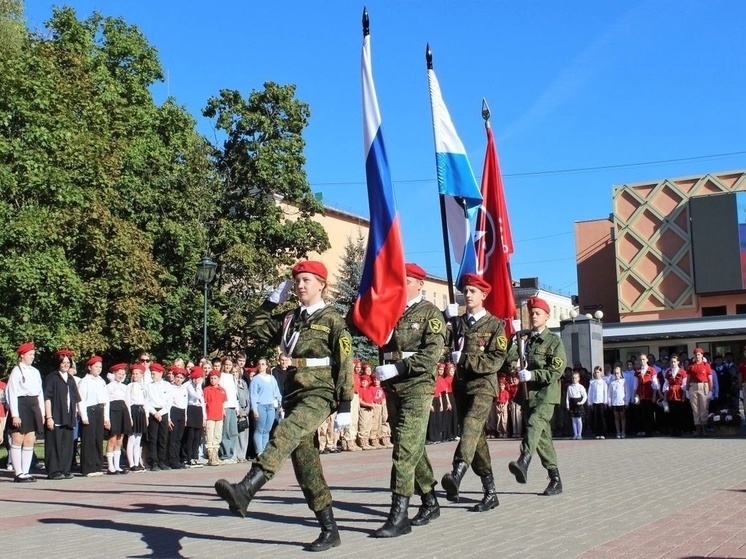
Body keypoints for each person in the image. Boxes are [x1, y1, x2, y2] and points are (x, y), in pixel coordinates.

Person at [214, 260, 354, 552]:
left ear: (321, 285)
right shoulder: (290, 318)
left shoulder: (332, 319)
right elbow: (255, 328)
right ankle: (330, 529)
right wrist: (270, 301)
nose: (301, 285)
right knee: (306, 464)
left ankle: (247, 488)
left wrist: (345, 403)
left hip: (320, 392)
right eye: (297, 281)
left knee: (285, 433)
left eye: (307, 280)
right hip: (293, 394)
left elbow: (345, 364)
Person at [373, 262, 446, 537]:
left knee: (404, 450)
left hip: (417, 384)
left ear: (419, 284)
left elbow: (431, 355)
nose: (401, 285)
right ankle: (430, 501)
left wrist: (400, 367)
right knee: (411, 445)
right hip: (394, 386)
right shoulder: (391, 310)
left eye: (407, 280)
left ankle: (399, 513)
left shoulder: (430, 314)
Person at [441, 273, 507, 513]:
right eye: (465, 291)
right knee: (476, 439)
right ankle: (490, 491)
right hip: (461, 386)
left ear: (483, 295)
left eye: (472, 291)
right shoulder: (457, 323)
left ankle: (457, 473)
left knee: (470, 425)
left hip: (483, 386)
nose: (467, 295)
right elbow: (439, 344)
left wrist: (466, 359)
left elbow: (496, 359)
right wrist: (443, 318)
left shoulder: (494, 325)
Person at [506, 296, 567, 496]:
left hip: (547, 394)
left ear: (547, 316)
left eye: (537, 313)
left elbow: (555, 371)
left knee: (534, 423)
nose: (533, 316)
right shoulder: (526, 340)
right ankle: (555, 478)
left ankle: (524, 460)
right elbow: (510, 360)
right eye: (531, 313)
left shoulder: (553, 342)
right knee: (541, 437)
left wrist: (533, 374)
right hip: (528, 395)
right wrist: (514, 342)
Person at [7, 342, 45, 482]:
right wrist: (15, 414)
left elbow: (40, 392)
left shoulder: (35, 371)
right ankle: (18, 473)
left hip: (33, 405)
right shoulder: (16, 371)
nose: (32, 357)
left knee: (30, 439)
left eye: (33, 354)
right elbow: (12, 393)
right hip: (21, 405)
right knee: (18, 438)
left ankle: (26, 471)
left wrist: (41, 412)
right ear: (22, 355)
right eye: (30, 354)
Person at [44, 349, 81, 480]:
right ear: (58, 363)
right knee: (54, 444)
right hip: (56, 415)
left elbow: (75, 399)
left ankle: (65, 469)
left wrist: (75, 415)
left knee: (67, 444)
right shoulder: (52, 378)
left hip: (69, 416)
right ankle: (54, 471)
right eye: (63, 362)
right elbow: (47, 398)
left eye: (68, 362)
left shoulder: (70, 379)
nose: (66, 365)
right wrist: (49, 417)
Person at [77, 356, 110, 477]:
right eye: (96, 366)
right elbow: (81, 400)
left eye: (100, 367)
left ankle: (97, 465)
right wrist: (84, 416)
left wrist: (107, 418)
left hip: (100, 410)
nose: (99, 369)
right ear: (89, 367)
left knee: (98, 439)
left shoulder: (101, 381)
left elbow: (106, 400)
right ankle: (88, 467)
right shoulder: (85, 381)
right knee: (89, 440)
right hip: (90, 411)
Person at [249, 357, 282, 456]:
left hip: (270, 407)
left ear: (267, 366)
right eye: (259, 364)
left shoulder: (272, 378)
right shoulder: (256, 379)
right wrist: (254, 409)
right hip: (260, 406)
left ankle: (264, 450)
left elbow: (277, 392)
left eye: (263, 364)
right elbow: (253, 396)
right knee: (259, 429)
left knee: (267, 429)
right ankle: (259, 451)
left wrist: (280, 404)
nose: (261, 366)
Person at [144, 362, 172, 470]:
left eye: (154, 373)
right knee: (153, 438)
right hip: (153, 412)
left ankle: (161, 461)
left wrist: (161, 413)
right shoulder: (148, 386)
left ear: (161, 373)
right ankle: (153, 461)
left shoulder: (167, 386)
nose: (152, 375)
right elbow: (147, 401)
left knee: (163, 438)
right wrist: (154, 412)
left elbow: (169, 402)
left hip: (163, 412)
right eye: (151, 373)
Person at [105, 363, 132, 474]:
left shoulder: (124, 387)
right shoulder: (108, 386)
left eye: (123, 374)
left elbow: (127, 402)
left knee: (120, 439)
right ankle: (110, 466)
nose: (121, 376)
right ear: (114, 373)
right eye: (119, 373)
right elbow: (106, 402)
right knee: (112, 439)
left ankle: (117, 465)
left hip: (123, 411)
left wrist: (129, 416)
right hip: (113, 411)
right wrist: (106, 418)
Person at [686, 347, 713, 436]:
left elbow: (710, 379)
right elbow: (688, 379)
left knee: (704, 409)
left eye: (699, 354)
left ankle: (704, 430)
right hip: (693, 386)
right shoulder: (691, 365)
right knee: (695, 409)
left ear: (702, 355)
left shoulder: (706, 365)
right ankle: (698, 430)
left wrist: (711, 390)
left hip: (703, 386)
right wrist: (686, 390)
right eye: (696, 355)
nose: (697, 356)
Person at [127, 363, 148, 472]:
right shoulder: (130, 386)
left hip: (141, 411)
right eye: (133, 374)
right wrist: (129, 417)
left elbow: (146, 402)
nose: (135, 376)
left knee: (138, 439)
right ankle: (131, 464)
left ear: (142, 375)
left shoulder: (143, 387)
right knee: (131, 438)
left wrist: (147, 416)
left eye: (137, 374)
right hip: (133, 410)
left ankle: (137, 462)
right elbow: (128, 402)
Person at [185, 366, 206, 467]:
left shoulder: (199, 387)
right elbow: (196, 396)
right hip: (191, 409)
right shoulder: (189, 386)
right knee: (191, 435)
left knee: (198, 435)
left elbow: (202, 402)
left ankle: (195, 456)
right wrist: (198, 386)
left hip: (198, 410)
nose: (199, 380)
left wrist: (204, 417)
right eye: (197, 377)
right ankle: (189, 458)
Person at [219, 356, 239, 463]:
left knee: (233, 431)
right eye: (226, 364)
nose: (228, 366)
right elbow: (221, 393)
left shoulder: (233, 377)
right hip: (225, 406)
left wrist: (237, 407)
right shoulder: (221, 376)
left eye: (230, 365)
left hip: (233, 406)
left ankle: (231, 453)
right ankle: (225, 454)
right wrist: (222, 407)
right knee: (225, 431)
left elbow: (235, 394)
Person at [204, 371, 227, 466]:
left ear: (218, 379)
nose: (213, 380)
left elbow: (223, 403)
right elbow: (204, 403)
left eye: (215, 378)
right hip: (210, 416)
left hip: (219, 416)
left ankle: (215, 454)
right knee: (210, 436)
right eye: (211, 378)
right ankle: (211, 456)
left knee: (217, 436)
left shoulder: (222, 390)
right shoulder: (207, 389)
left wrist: (223, 411)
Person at [167, 367, 188, 469]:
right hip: (174, 411)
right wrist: (169, 419)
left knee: (179, 438)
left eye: (181, 377)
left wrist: (186, 417)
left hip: (182, 412)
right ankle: (172, 460)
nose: (179, 379)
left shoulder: (184, 389)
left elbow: (185, 404)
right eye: (177, 377)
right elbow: (169, 403)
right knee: (173, 438)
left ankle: (178, 459)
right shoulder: (171, 388)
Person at [663, 355, 687, 436]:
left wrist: (684, 395)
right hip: (670, 394)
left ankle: (679, 430)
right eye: (671, 362)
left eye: (674, 362)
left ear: (678, 362)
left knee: (679, 413)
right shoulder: (668, 372)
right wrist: (665, 396)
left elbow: (684, 384)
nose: (673, 363)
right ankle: (672, 430)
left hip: (679, 393)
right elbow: (666, 384)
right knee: (671, 414)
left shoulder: (682, 372)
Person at [587, 366, 608, 440]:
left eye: (598, 372)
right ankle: (597, 433)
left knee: (602, 418)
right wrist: (590, 403)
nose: (597, 374)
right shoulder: (592, 382)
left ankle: (603, 433)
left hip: (601, 402)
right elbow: (590, 393)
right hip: (594, 402)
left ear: (601, 373)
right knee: (595, 418)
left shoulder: (603, 382)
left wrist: (605, 402)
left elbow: (605, 392)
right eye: (595, 372)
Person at [566, 371, 588, 440]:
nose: (574, 379)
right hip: (572, 403)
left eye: (575, 378)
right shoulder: (569, 387)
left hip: (578, 403)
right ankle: (575, 434)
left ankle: (579, 434)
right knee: (573, 419)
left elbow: (585, 396)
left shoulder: (580, 387)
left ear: (578, 378)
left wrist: (581, 402)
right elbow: (567, 397)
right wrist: (567, 405)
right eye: (573, 378)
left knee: (579, 419)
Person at [608, 366, 627, 438]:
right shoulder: (612, 383)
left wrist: (626, 402)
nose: (616, 375)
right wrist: (609, 402)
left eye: (618, 373)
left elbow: (626, 392)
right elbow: (609, 394)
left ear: (620, 373)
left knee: (622, 417)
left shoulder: (623, 381)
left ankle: (623, 431)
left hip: (622, 402)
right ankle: (618, 431)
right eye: (615, 373)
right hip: (614, 402)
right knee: (616, 417)